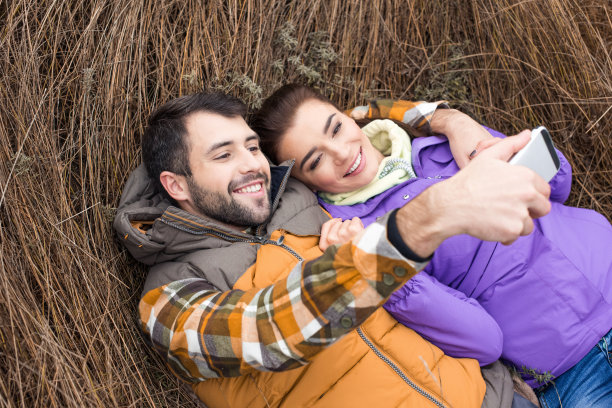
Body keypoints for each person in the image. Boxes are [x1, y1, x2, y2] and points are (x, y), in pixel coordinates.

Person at [113, 91, 550, 408]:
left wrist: (448, 119)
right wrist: (424, 219)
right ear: (176, 185)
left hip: (493, 395)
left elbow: (356, 113)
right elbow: (268, 335)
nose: (251, 163)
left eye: (251, 146)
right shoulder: (167, 299)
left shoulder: (296, 198)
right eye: (223, 155)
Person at [251, 84, 612, 408]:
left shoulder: (436, 145)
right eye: (316, 160)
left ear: (348, 117)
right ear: (305, 183)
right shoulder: (365, 234)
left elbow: (560, 182)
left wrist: (469, 133)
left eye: (336, 128)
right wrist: (383, 270)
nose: (342, 153)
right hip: (570, 366)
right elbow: (483, 342)